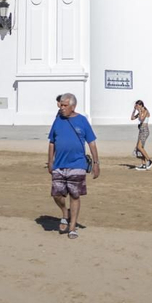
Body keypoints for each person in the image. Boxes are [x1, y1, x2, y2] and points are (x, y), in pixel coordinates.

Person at [46, 93, 99, 239]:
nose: (61, 108)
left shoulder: (82, 121)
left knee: (75, 195)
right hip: (59, 164)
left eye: (64, 105)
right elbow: (51, 142)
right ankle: (65, 212)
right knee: (57, 194)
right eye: (61, 105)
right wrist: (50, 162)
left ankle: (72, 226)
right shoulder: (57, 121)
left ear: (73, 106)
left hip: (77, 163)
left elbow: (92, 142)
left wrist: (96, 163)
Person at [130, 100, 152, 170]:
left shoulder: (145, 111)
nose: (136, 107)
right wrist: (134, 110)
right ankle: (143, 164)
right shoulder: (139, 111)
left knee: (139, 147)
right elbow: (132, 118)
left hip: (145, 130)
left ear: (141, 105)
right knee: (140, 147)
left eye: (137, 106)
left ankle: (149, 160)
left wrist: (139, 111)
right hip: (141, 130)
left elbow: (141, 119)